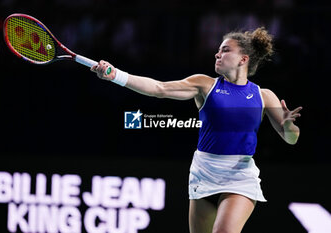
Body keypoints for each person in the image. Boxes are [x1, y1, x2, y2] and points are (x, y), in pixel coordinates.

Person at [91, 27, 302, 233]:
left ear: (243, 59)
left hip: (239, 175)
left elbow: (291, 139)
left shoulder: (264, 96)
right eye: (219, 50)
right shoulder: (205, 85)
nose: (217, 54)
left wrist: (288, 126)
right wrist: (116, 75)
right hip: (204, 172)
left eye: (226, 50)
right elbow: (159, 88)